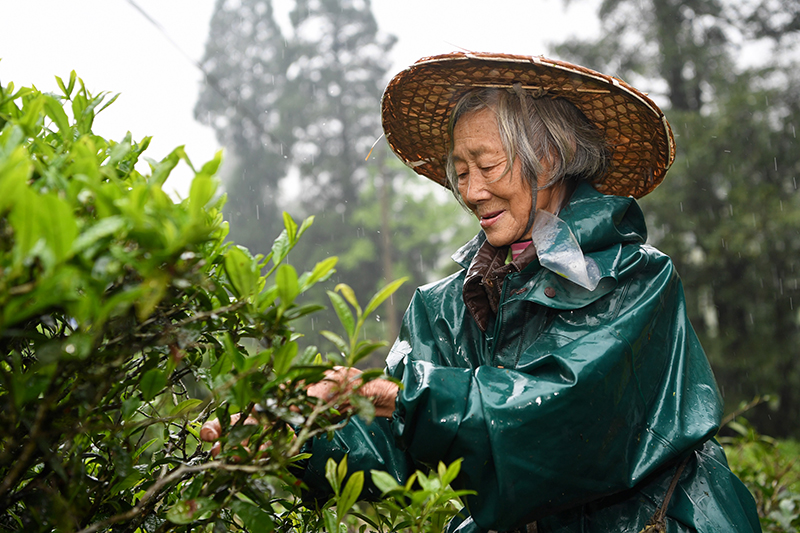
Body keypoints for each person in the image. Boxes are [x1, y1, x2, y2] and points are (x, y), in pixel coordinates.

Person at [202, 52, 761, 533]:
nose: (470, 190)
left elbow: (561, 419)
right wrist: (293, 436)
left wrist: (408, 397)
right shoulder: (446, 308)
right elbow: (394, 451)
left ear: (550, 155)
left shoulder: (637, 281)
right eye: (460, 171)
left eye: (487, 165)